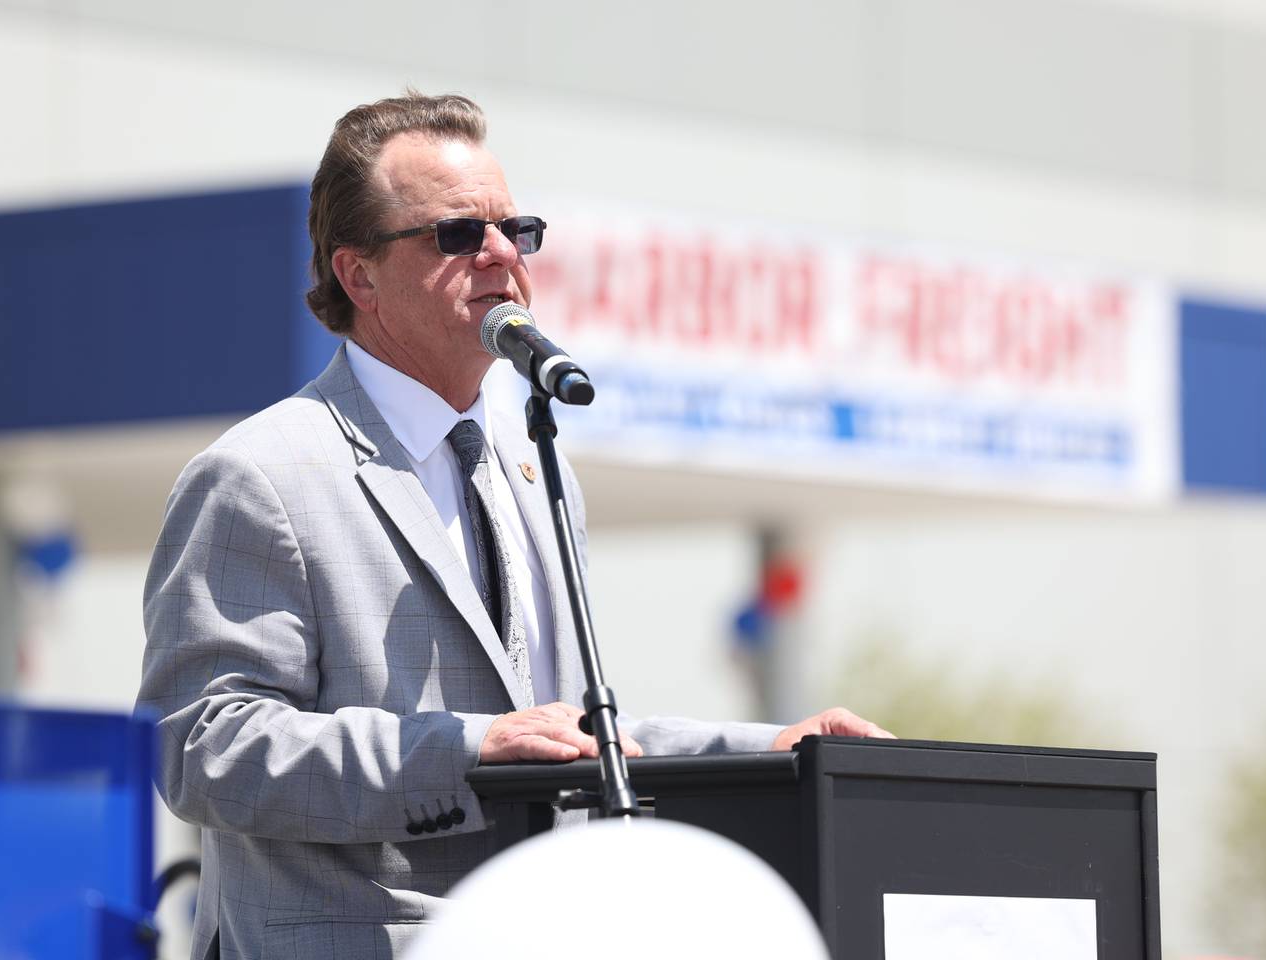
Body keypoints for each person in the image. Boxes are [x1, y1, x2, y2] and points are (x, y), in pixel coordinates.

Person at [137, 91, 892, 960]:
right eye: (457, 234)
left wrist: (774, 750)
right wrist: (463, 750)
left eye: (516, 230)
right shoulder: (261, 474)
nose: (500, 253)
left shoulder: (534, 461)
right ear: (360, 275)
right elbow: (202, 745)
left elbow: (566, 732)